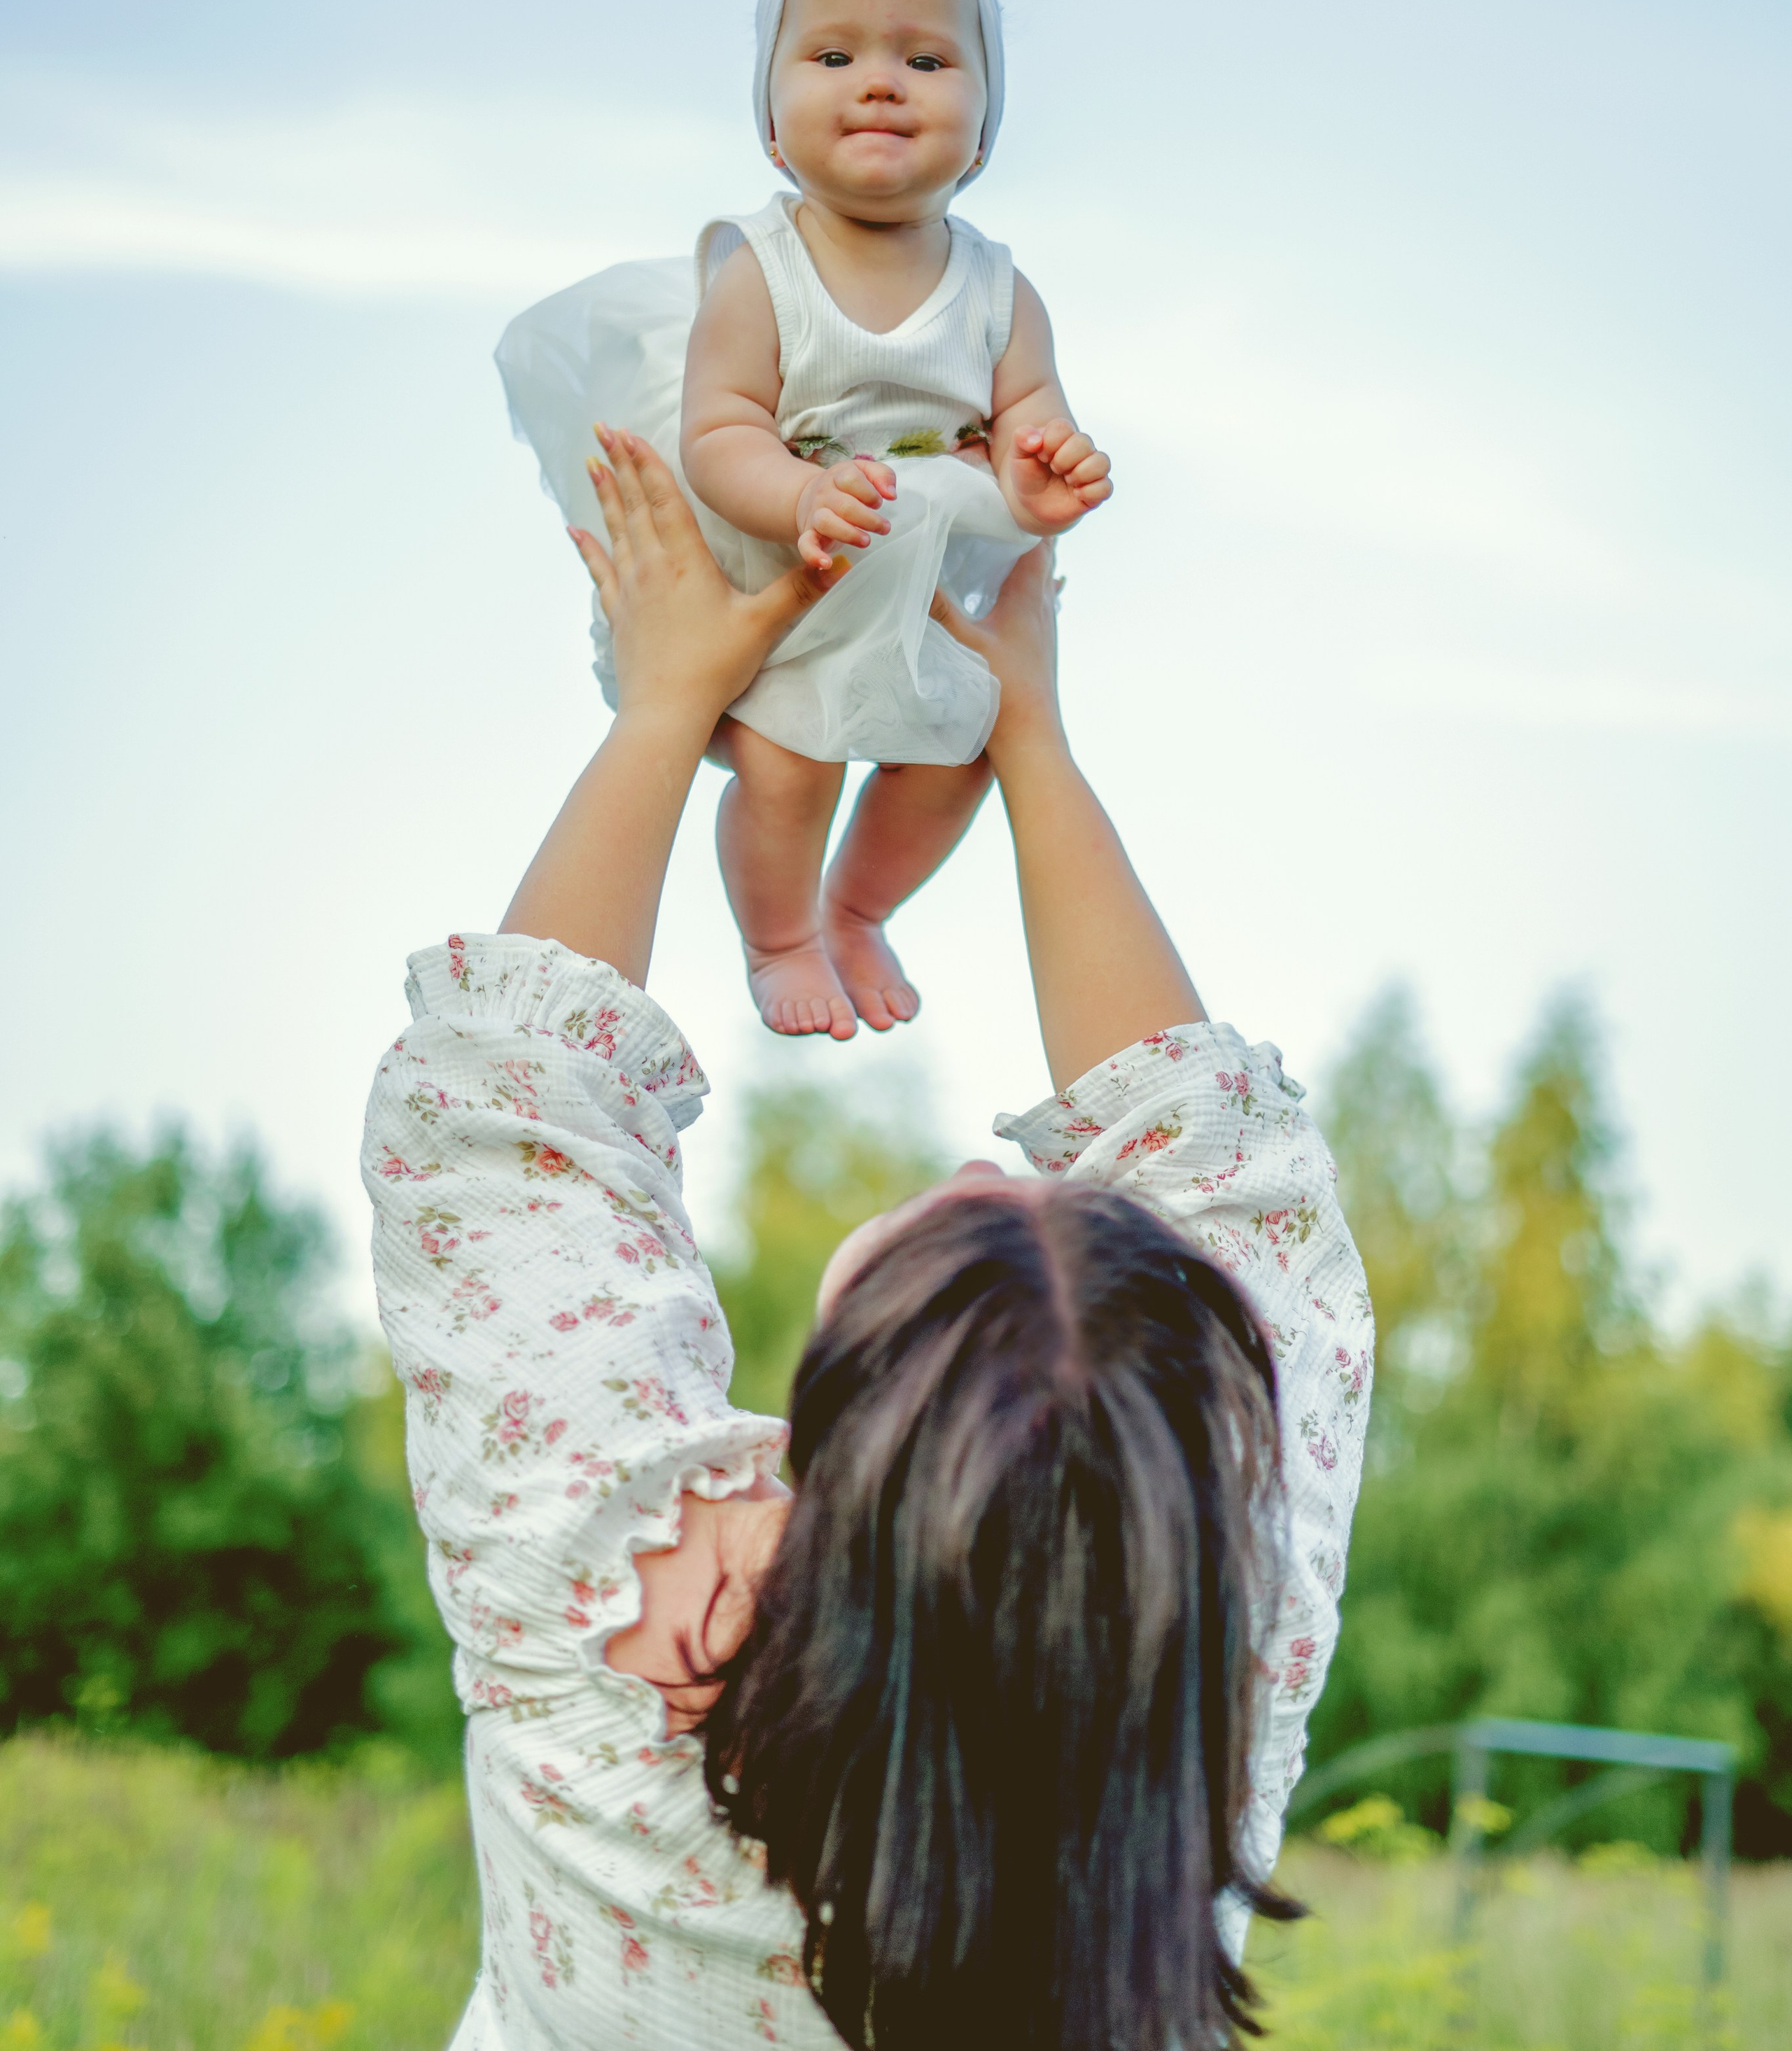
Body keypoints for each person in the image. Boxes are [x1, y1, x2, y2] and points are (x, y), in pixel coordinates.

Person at [361, 430, 1371, 2051]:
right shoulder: (1210, 1710)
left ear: (838, 1446)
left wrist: (666, 705)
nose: (983, 1167)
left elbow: (503, 1113)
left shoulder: (609, 1620)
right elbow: (1230, 1175)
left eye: (967, 1228)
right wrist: (1026, 741)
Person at [496, 0, 1111, 1046]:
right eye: (833, 57)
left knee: (963, 754)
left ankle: (861, 906)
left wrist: (1043, 476)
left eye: (926, 61)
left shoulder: (999, 291)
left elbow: (1029, 412)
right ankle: (780, 935)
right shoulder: (763, 273)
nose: (879, 81)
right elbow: (719, 430)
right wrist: (799, 496)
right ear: (773, 130)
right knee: (793, 769)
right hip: (786, 562)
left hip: (918, 578)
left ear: (983, 134)